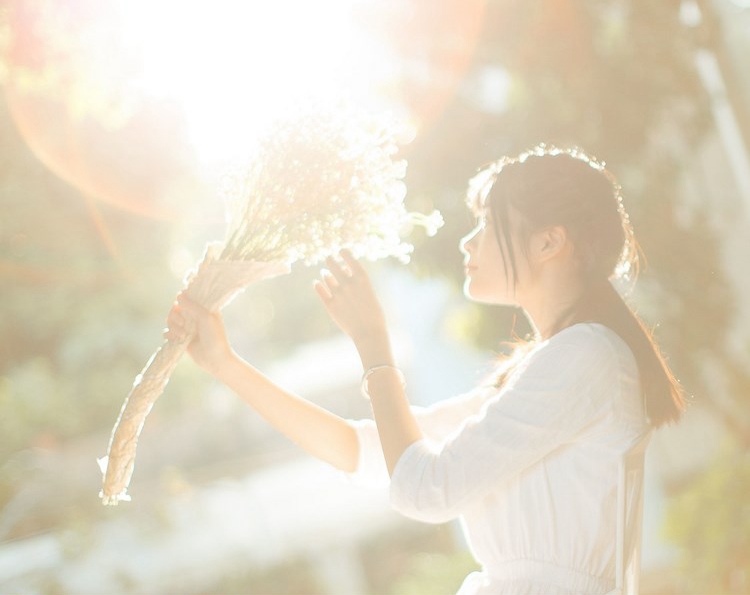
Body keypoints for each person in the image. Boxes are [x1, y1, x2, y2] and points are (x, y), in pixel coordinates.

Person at [166, 145, 685, 595]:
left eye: (486, 222)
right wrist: (224, 365)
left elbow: (426, 491)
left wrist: (374, 346)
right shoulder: (553, 365)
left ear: (549, 242)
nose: (467, 242)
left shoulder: (585, 357)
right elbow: (365, 450)